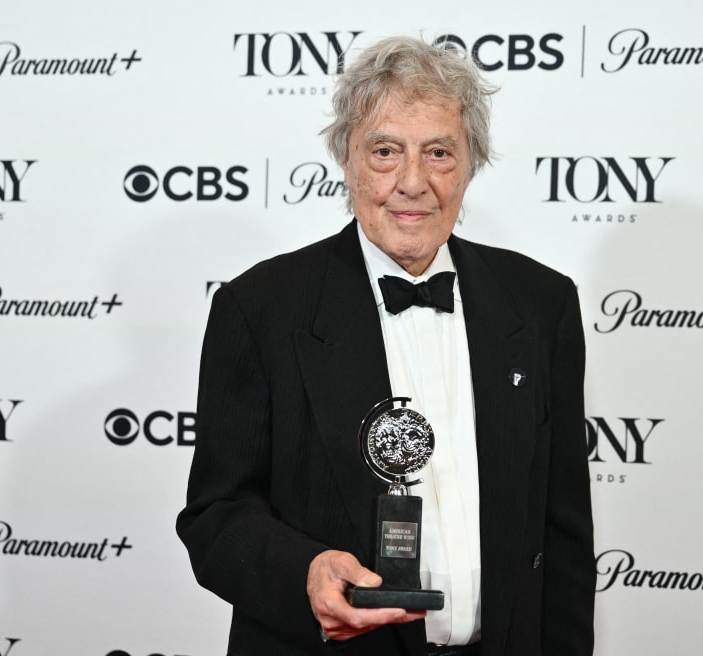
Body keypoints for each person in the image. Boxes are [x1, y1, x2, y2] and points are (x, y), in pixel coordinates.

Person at [176, 35, 594, 656]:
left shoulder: (540, 303)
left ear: (471, 163)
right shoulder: (260, 308)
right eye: (385, 151)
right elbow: (217, 515)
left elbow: (563, 534)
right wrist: (306, 572)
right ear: (345, 158)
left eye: (439, 153)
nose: (413, 182)